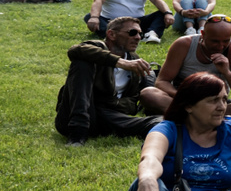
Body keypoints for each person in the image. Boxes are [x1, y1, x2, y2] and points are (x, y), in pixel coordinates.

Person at [146, 14, 231, 122]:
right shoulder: (183, 44)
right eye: (215, 41)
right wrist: (184, 97)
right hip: (185, 102)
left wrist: (226, 72)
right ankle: (216, 119)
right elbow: (162, 82)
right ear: (202, 34)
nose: (221, 46)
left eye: (225, 41)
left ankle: (189, 117)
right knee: (148, 94)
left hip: (217, 103)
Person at [55, 16, 159, 146]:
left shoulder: (135, 60)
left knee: (157, 122)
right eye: (132, 33)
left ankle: (162, 126)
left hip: (110, 116)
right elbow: (75, 50)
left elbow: (132, 102)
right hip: (75, 117)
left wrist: (111, 104)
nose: (138, 37)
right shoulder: (97, 47)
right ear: (111, 34)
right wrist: (120, 62)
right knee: (82, 63)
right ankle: (78, 132)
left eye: (140, 34)